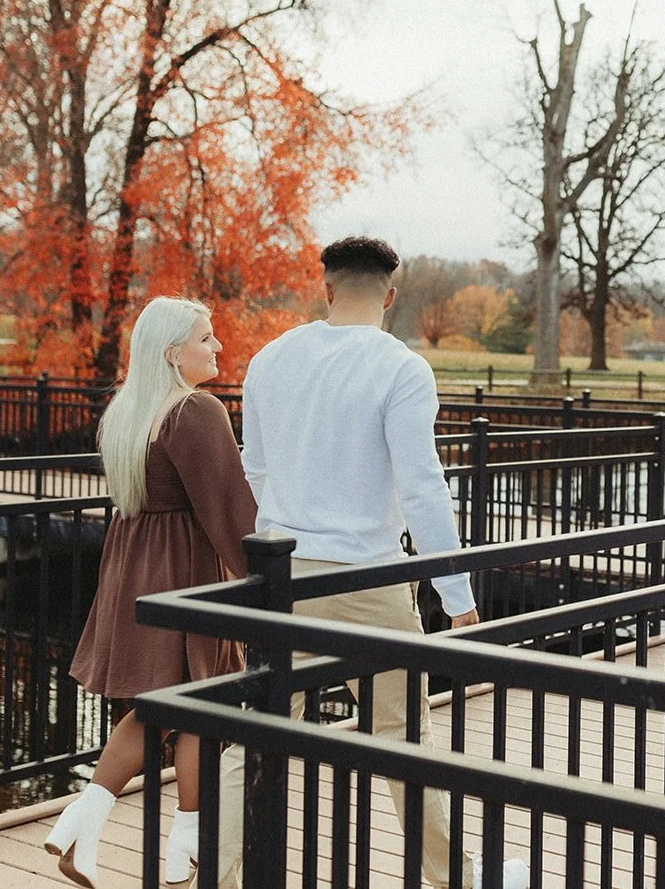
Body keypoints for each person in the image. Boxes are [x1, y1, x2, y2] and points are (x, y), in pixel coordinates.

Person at [217, 236, 528, 889]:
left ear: (326, 289)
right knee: (402, 735)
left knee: (258, 729)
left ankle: (215, 870)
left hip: (282, 574)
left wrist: (284, 524)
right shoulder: (402, 367)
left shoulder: (270, 359)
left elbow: (255, 467)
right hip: (369, 577)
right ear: (390, 296)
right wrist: (458, 598)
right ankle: (447, 877)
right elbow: (422, 488)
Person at [44, 297, 257, 888]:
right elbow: (230, 512)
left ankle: (111, 832)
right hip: (185, 570)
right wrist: (265, 576)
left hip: (135, 566)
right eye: (207, 338)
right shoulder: (196, 411)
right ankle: (167, 842)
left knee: (186, 705)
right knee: (191, 701)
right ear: (172, 352)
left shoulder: (128, 411)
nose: (218, 347)